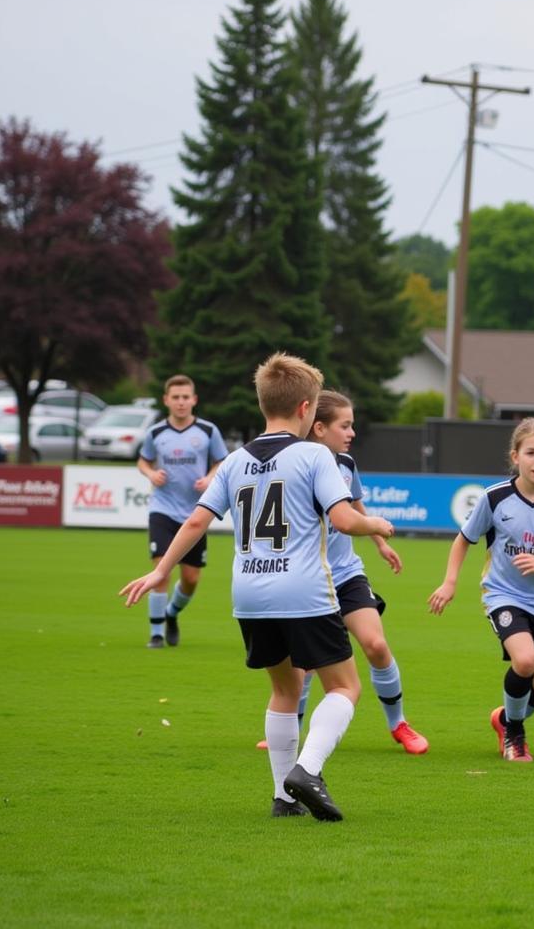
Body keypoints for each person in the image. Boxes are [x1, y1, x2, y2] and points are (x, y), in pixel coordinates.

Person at [121, 352, 395, 821]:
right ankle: (307, 771)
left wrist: (160, 571)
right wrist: (378, 523)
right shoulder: (315, 455)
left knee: (285, 691)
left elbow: (194, 521)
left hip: (248, 594)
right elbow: (344, 519)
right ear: (308, 409)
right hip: (303, 590)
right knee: (345, 688)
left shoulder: (233, 460)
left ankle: (283, 798)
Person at [428, 418, 534, 761]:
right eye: (531, 452)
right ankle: (516, 735)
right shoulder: (495, 497)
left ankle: (505, 719)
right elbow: (463, 540)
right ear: (515, 456)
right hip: (503, 594)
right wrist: (450, 581)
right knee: (526, 661)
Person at [297, 390, 428, 754]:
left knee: (376, 644)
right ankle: (290, 729)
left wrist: (380, 543)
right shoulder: (296, 464)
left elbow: (354, 505)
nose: (352, 432)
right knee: (304, 664)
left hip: (345, 573)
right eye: (345, 425)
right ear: (319, 428)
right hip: (307, 579)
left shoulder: (346, 464)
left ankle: (398, 724)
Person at [136, 374, 227, 648]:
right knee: (161, 569)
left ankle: (172, 613)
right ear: (166, 400)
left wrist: (211, 477)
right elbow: (143, 461)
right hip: (162, 509)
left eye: (185, 397)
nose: (180, 402)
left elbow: (222, 461)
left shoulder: (208, 431)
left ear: (194, 400)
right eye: (175, 397)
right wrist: (151, 474)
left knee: (190, 578)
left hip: (195, 512)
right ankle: (156, 634)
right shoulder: (156, 433)